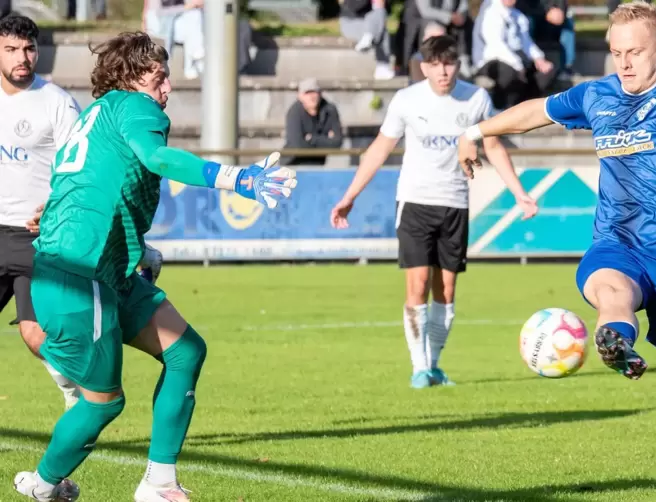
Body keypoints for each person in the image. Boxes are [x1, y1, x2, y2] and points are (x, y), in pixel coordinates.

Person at [458, 3, 656, 500]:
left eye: (634, 52)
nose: (624, 63)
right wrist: (475, 131)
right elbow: (536, 112)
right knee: (611, 290)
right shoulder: (598, 95)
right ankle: (615, 339)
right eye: (616, 53)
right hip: (617, 241)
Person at [13, 31, 298, 502]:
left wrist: (137, 250)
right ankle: (43, 487)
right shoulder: (136, 107)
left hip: (95, 270)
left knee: (186, 351)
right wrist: (236, 177)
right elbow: (158, 158)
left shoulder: (97, 116)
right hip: (81, 279)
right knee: (104, 403)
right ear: (130, 76)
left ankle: (159, 483)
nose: (167, 89)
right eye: (160, 77)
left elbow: (91, 192)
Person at [330, 34, 538, 389]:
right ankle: (419, 367)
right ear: (424, 66)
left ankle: (435, 364)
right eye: (436, 64)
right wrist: (351, 195)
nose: (443, 71)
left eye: (450, 63)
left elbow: (493, 146)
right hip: (414, 201)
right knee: (418, 283)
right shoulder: (407, 100)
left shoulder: (476, 98)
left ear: (457, 64)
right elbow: (380, 148)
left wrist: (520, 194)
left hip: (455, 201)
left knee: (446, 289)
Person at [0, 14, 82, 409]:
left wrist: (55, 202)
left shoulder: (57, 102)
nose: (22, 57)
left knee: (35, 333)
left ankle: (77, 397)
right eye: (11, 49)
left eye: (29, 49)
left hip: (36, 237)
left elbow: (80, 169)